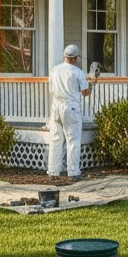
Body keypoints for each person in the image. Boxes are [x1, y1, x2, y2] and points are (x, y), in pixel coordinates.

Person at [47, 44, 97, 180]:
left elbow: (51, 89)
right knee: (73, 140)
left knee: (56, 139)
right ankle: (73, 172)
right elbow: (85, 93)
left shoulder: (54, 70)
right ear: (74, 58)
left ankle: (53, 172)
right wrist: (92, 83)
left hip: (56, 106)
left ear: (64, 56)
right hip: (71, 107)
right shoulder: (77, 72)